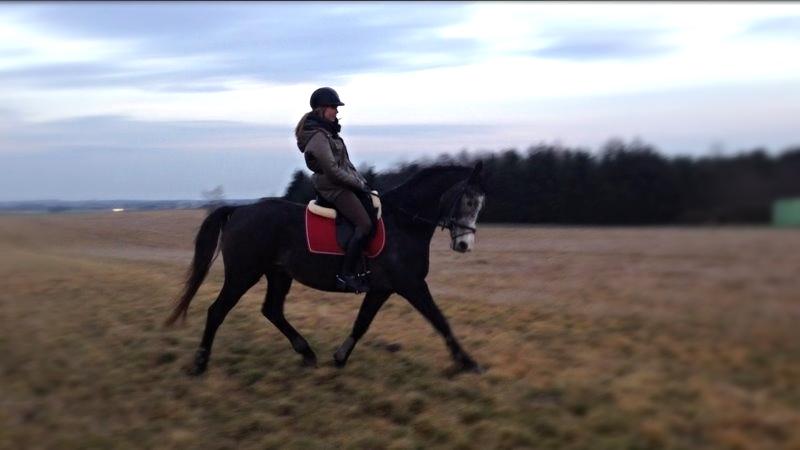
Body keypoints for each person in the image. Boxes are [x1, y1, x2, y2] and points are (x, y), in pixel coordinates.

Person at [295, 87, 374, 293]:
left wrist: (363, 183)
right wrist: (357, 185)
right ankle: (345, 275)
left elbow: (347, 166)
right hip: (333, 189)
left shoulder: (329, 134)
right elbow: (332, 171)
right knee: (364, 224)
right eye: (333, 108)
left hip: (342, 185)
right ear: (322, 109)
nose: (336, 112)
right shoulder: (318, 137)